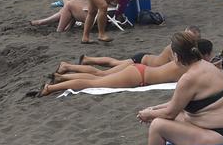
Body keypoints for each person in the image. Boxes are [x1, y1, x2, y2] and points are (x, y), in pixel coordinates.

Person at [122, 29, 223, 145]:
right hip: (222, 130)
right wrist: (153, 109)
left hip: (216, 137)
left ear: (175, 56)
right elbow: (178, 104)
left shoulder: (189, 78)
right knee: (169, 117)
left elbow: (170, 112)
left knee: (158, 125)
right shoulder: (208, 67)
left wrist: (150, 116)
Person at [36, 30, 198, 97]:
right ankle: (50, 88)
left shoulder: (181, 62)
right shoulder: (188, 67)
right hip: (138, 76)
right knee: (93, 82)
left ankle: (61, 77)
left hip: (140, 70)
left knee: (99, 76)